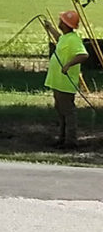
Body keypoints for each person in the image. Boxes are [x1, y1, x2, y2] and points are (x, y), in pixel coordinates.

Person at [43, 11, 89, 149]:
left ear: (65, 24)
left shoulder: (74, 40)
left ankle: (71, 141)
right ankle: (62, 138)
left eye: (61, 20)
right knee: (61, 111)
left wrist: (68, 65)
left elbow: (83, 55)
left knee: (68, 112)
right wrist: (50, 28)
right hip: (58, 82)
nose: (59, 21)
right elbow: (59, 40)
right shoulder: (66, 37)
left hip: (65, 83)